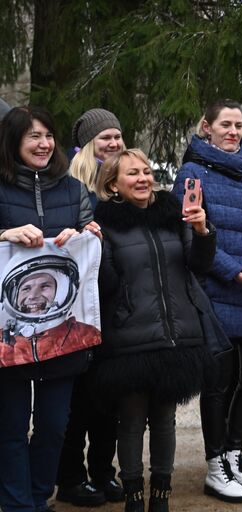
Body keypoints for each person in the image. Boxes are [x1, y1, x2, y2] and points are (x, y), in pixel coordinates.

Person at [93, 148, 215, 512]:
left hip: (176, 334)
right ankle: (133, 494)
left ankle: (161, 494)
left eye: (146, 171)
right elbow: (107, 285)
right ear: (113, 184)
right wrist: (95, 250)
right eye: (133, 174)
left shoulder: (174, 214)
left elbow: (199, 265)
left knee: (164, 420)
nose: (144, 179)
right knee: (130, 421)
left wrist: (202, 230)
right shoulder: (106, 224)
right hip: (130, 337)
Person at [174, 100, 242, 503]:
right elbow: (190, 234)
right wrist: (236, 272)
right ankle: (216, 464)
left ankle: (235, 456)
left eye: (239, 125)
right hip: (219, 293)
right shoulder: (192, 172)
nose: (234, 132)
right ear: (207, 127)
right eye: (225, 124)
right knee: (219, 385)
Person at [0, 106, 101, 512]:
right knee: (8, 428)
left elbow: (94, 255)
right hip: (8, 339)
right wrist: (4, 234)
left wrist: (90, 235)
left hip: (63, 334)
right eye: (33, 137)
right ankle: (16, 503)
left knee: (53, 428)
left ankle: (39, 498)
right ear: (12, 142)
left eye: (48, 135)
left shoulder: (73, 190)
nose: (44, 144)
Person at [57, 107, 125, 508]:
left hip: (115, 308)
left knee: (108, 402)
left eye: (118, 136)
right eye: (105, 138)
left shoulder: (125, 184)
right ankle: (70, 477)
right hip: (78, 311)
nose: (114, 143)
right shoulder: (69, 187)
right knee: (77, 402)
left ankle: (104, 471)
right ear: (87, 145)